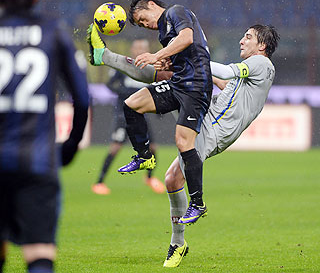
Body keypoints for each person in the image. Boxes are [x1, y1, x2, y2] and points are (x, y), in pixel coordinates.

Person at [87, 23, 280, 267]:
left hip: (213, 129)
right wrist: (190, 69)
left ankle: (179, 240)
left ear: (262, 45)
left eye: (248, 37)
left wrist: (191, 61)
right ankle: (104, 56)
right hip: (210, 116)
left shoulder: (260, 63)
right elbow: (224, 83)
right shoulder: (255, 72)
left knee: (172, 179)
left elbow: (226, 71)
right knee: (170, 76)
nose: (242, 40)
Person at [0, 0, 89, 272]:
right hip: (38, 162)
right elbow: (82, 98)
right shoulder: (53, 31)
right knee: (39, 254)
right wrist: (70, 147)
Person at [119, 0, 212, 226]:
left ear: (151, 5)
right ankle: (144, 156)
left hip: (196, 84)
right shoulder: (163, 30)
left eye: (143, 19)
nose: (145, 25)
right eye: (140, 25)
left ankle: (198, 203)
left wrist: (156, 55)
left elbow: (187, 38)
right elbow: (181, 54)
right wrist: (166, 63)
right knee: (132, 103)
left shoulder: (175, 11)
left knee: (183, 141)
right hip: (180, 81)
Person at [91, 39, 165, 195]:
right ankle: (99, 182)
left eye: (143, 47)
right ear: (132, 50)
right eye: (137, 47)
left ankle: (150, 178)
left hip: (141, 115)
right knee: (115, 147)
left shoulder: (149, 69)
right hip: (123, 115)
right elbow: (110, 84)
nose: (140, 50)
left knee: (152, 148)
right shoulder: (125, 67)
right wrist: (126, 92)